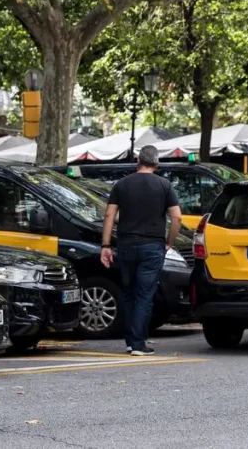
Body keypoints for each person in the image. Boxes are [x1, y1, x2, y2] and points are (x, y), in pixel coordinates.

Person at [100, 145, 182, 356]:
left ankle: (130, 341)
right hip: (152, 246)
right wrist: (169, 242)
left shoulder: (122, 184)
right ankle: (138, 344)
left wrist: (106, 246)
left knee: (128, 294)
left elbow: (109, 215)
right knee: (144, 295)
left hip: (126, 245)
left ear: (138, 161)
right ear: (157, 163)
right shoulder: (164, 185)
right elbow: (177, 217)